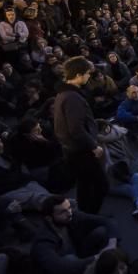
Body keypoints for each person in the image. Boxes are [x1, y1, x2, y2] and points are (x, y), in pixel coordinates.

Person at [31, 195, 120, 274]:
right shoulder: (43, 241)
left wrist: (112, 244)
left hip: (77, 253)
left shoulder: (71, 216)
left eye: (69, 207)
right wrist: (97, 258)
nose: (69, 213)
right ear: (49, 218)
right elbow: (59, 268)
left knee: (101, 232)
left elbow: (107, 221)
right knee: (70, 260)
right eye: (62, 212)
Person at [53, 56, 107, 214]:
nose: (89, 76)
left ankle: (84, 216)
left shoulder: (64, 94)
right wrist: (94, 146)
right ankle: (91, 217)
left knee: (84, 185)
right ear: (78, 75)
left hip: (73, 150)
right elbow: (75, 129)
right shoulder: (72, 98)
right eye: (87, 73)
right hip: (81, 151)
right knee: (101, 186)